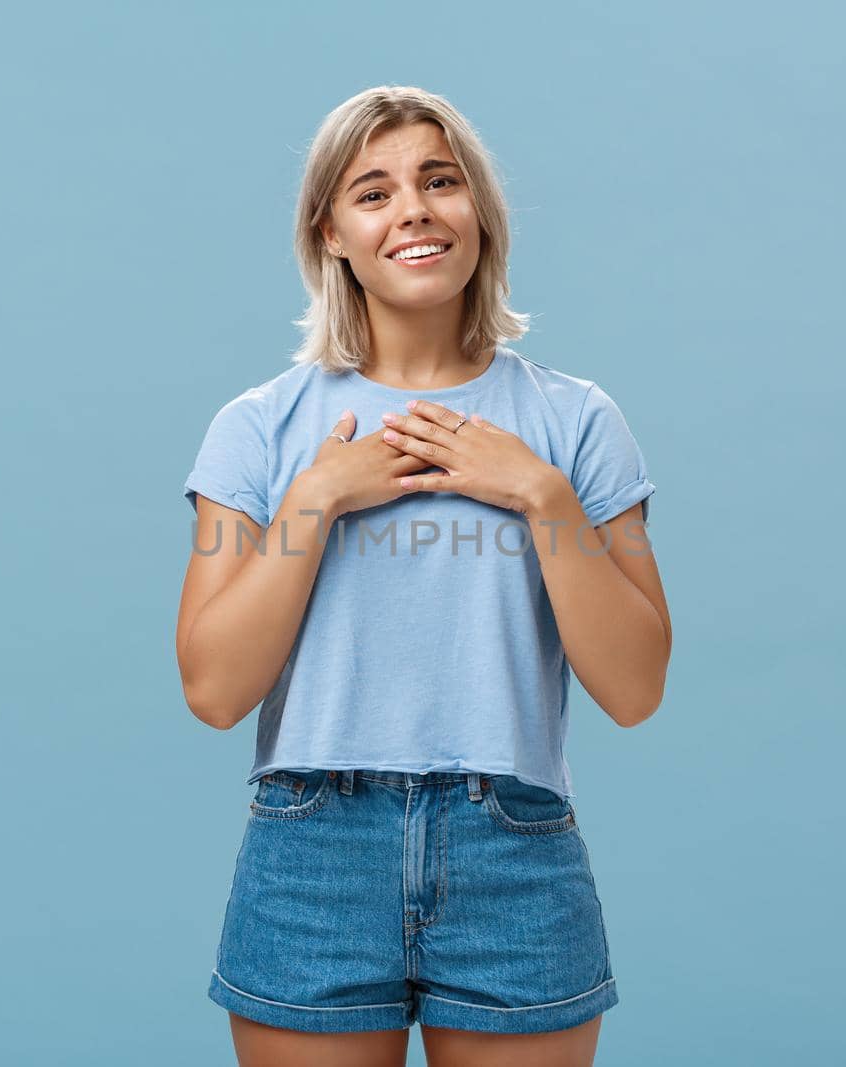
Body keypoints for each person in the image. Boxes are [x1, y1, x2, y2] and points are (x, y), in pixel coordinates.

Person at [177, 85, 671, 1067]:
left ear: (477, 211)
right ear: (331, 233)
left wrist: (540, 494)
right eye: (373, 191)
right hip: (313, 845)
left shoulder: (574, 423)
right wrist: (314, 502)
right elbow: (215, 689)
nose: (412, 208)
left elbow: (635, 687)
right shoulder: (259, 427)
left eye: (438, 180)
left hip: (513, 845)